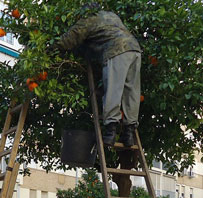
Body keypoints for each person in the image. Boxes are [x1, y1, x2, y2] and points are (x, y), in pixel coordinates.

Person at [54, 3, 142, 148]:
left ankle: (110, 132)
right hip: (134, 50)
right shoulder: (111, 15)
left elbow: (70, 39)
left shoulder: (89, 19)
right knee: (131, 92)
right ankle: (129, 134)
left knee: (113, 90)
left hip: (116, 51)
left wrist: (51, 48)